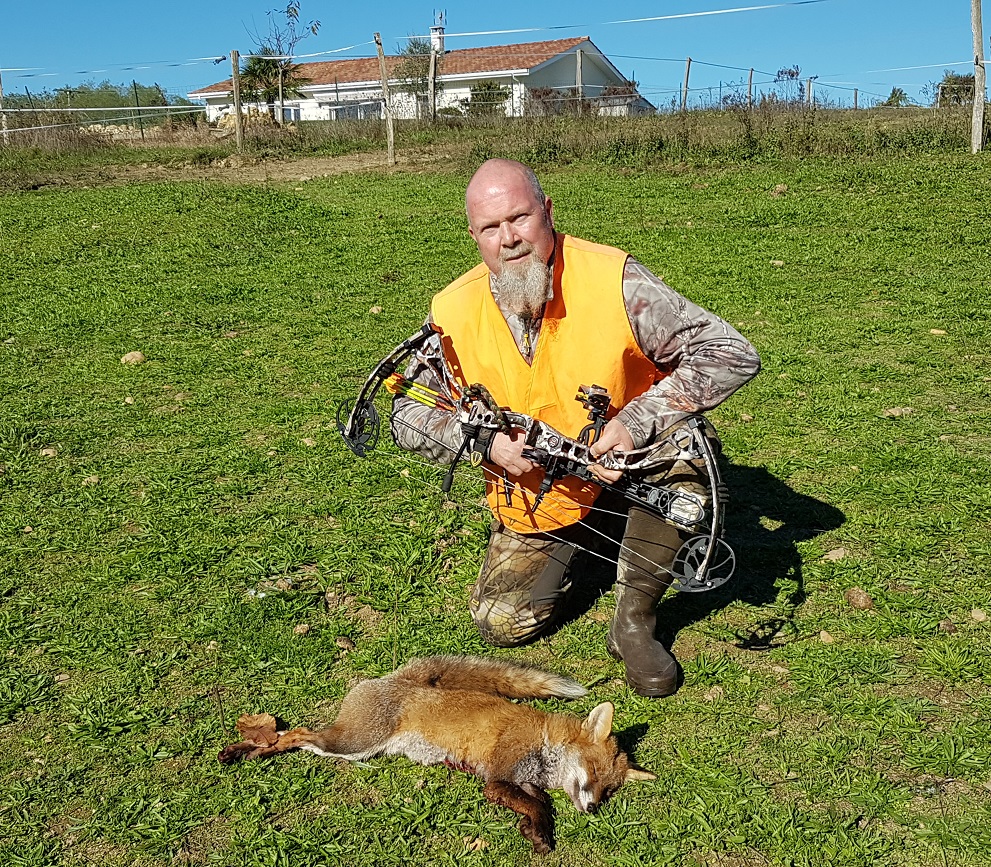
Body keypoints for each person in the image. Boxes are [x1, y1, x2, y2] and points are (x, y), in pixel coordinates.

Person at [391, 159, 760, 697]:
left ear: (547, 211)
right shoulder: (452, 308)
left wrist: (636, 422)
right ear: (473, 236)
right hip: (542, 491)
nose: (509, 238)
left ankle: (635, 617)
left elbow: (730, 353)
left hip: (634, 461)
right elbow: (406, 412)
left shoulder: (612, 279)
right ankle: (601, 542)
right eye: (491, 228)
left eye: (520, 218)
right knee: (502, 621)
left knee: (683, 472)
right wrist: (481, 442)